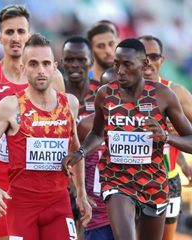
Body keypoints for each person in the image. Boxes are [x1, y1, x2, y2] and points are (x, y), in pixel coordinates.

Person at [63, 38, 192, 240]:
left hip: (153, 183)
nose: (120, 70)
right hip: (117, 180)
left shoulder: (163, 95)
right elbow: (97, 133)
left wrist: (166, 137)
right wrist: (80, 152)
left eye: (127, 64)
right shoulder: (105, 94)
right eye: (116, 64)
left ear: (144, 65)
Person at [0, 33, 91, 240]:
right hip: (21, 206)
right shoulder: (10, 106)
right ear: (23, 68)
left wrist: (82, 194)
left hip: (59, 203)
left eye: (46, 63)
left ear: (54, 67)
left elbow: (76, 151)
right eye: (33, 64)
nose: (40, 70)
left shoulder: (70, 104)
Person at [0, 5, 65, 239]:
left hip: (44, 182)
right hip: (1, 179)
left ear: (29, 35)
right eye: (9, 32)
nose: (15, 38)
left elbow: (64, 130)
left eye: (21, 31)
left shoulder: (54, 78)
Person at [138, 35, 192, 240]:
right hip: (129, 180)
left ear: (163, 60)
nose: (148, 62)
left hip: (168, 179)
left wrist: (177, 132)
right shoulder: (121, 91)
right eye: (143, 57)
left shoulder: (176, 92)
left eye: (154, 56)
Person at [62, 36, 113, 240]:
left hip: (95, 187)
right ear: (62, 62)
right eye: (69, 59)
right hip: (61, 181)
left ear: (90, 61)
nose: (75, 65)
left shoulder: (101, 93)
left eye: (81, 59)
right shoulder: (54, 94)